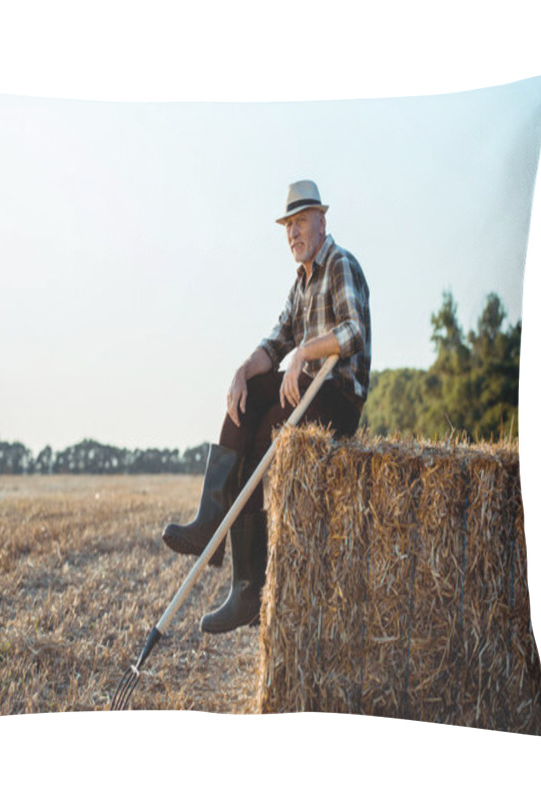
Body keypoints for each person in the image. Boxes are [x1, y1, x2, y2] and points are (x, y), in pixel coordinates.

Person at [162, 180, 371, 633]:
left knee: (262, 438)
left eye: (301, 222)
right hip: (306, 388)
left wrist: (305, 353)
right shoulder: (299, 285)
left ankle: (247, 589)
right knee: (251, 398)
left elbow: (355, 332)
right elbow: (274, 344)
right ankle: (213, 524)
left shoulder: (340, 265)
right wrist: (243, 370)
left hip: (337, 396)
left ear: (322, 221)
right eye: (288, 226)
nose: (293, 233)